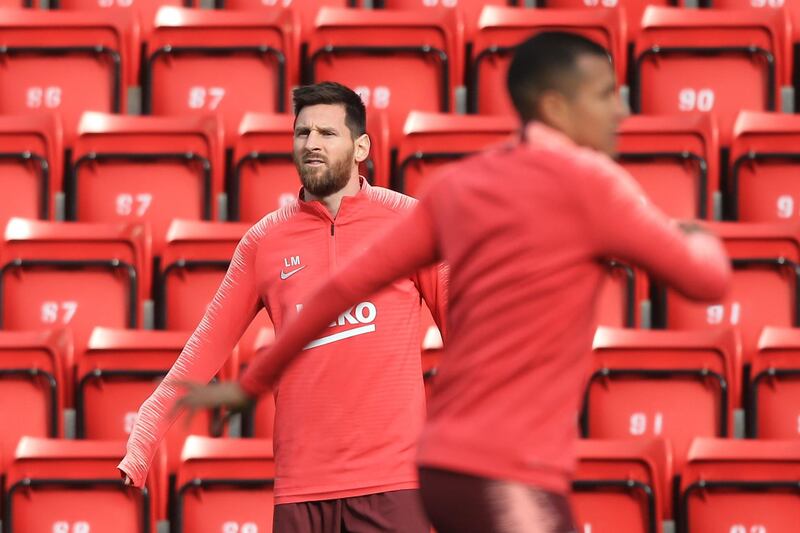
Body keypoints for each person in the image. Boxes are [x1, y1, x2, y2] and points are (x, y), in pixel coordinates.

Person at [175, 32, 732, 532]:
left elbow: (341, 289)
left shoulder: (460, 186)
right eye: (606, 94)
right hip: (505, 468)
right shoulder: (593, 184)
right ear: (557, 105)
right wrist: (696, 234)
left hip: (438, 470)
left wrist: (250, 385)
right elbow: (706, 281)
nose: (622, 110)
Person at [118, 81, 447, 533]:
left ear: (360, 146)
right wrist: (145, 434)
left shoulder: (412, 223)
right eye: (302, 133)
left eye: (327, 134)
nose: (311, 144)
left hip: (395, 486)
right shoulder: (262, 242)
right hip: (300, 490)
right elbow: (202, 351)